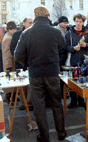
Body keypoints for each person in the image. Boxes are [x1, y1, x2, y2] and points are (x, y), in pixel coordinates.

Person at [14, 6, 66, 142]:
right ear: (48, 16)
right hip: (52, 72)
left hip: (35, 73)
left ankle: (44, 136)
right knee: (56, 103)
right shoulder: (55, 32)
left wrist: (28, 63)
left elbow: (17, 55)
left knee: (39, 106)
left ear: (35, 16)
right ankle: (61, 133)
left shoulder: (26, 33)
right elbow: (62, 44)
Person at [65, 13, 88, 109]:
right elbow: (65, 47)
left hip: (84, 60)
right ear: (74, 21)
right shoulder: (68, 33)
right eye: (77, 21)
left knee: (83, 81)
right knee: (73, 82)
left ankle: (81, 100)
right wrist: (73, 48)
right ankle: (73, 101)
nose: (78, 23)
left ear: (83, 22)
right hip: (73, 60)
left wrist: (86, 45)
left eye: (80, 22)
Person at [10, 17, 33, 111]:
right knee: (22, 83)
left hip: (30, 62)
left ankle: (29, 102)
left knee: (30, 84)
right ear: (24, 23)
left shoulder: (33, 33)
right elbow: (13, 49)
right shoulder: (17, 34)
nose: (31, 24)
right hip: (20, 63)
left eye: (32, 22)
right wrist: (21, 59)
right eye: (29, 22)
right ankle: (23, 103)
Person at [2, 21, 17, 104]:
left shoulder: (8, 37)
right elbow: (7, 53)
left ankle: (12, 97)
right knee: (10, 81)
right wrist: (8, 65)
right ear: (11, 29)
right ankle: (8, 97)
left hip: (10, 61)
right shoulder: (9, 38)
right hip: (10, 62)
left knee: (12, 80)